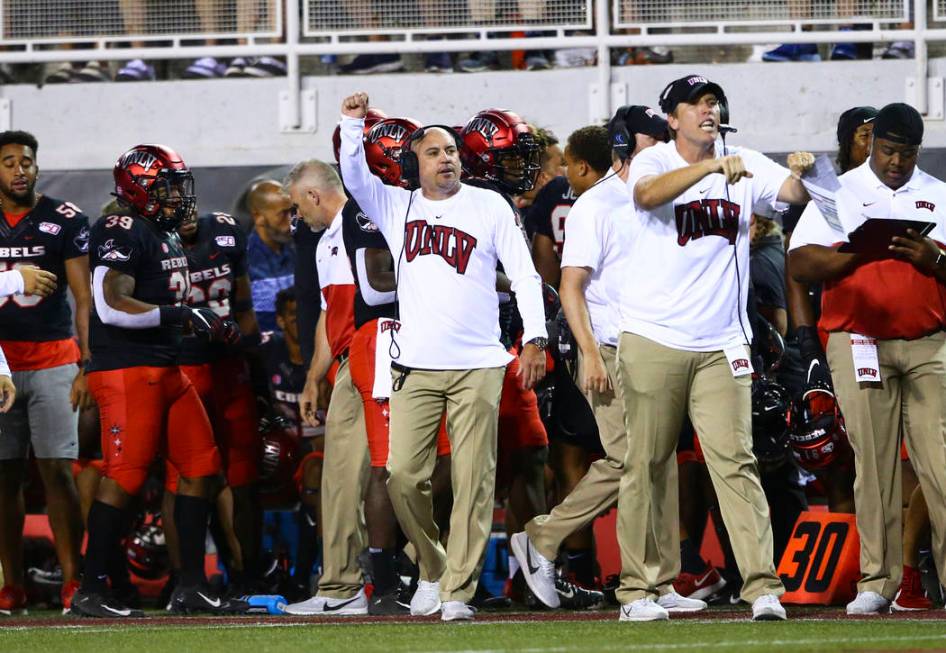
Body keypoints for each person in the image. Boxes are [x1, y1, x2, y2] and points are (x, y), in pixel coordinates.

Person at [339, 91, 547, 621]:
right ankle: (433, 568)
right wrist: (351, 121)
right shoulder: (395, 204)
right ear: (415, 164)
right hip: (415, 365)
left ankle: (457, 591)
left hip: (479, 363)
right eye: (433, 152)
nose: (446, 158)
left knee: (476, 481)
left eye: (451, 150)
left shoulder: (489, 204)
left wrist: (535, 338)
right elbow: (355, 175)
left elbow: (523, 274)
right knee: (405, 476)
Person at [615, 74, 814, 622]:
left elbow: (790, 196)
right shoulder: (653, 159)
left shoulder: (743, 158)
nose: (709, 110)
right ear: (672, 118)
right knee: (647, 465)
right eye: (697, 104)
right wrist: (707, 167)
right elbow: (646, 196)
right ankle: (638, 590)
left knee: (737, 463)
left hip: (722, 342)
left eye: (714, 103)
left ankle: (761, 587)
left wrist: (805, 171)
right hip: (654, 335)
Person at [514, 107, 702, 613]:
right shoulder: (597, 204)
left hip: (654, 343)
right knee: (630, 459)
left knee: (655, 460)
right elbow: (571, 285)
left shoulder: (666, 194)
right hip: (607, 345)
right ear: (623, 143)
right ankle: (544, 539)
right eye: (654, 138)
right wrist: (590, 354)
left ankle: (661, 582)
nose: (664, 145)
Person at [70, 144, 243, 617]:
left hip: (166, 367)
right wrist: (183, 313)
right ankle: (90, 589)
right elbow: (111, 304)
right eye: (166, 188)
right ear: (138, 190)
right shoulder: (118, 227)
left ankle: (189, 586)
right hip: (128, 369)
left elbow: (163, 306)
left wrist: (201, 320)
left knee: (201, 466)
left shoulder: (162, 234)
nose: (176, 197)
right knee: (124, 476)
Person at [788, 102, 946, 616]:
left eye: (905, 153)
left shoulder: (939, 194)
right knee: (873, 467)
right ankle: (879, 581)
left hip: (928, 342)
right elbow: (799, 260)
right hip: (859, 341)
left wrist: (936, 260)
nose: (896, 162)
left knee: (940, 463)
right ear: (872, 142)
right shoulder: (840, 190)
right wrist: (860, 251)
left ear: (918, 150)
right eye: (888, 150)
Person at [343, 117, 453, 615]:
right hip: (385, 334)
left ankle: (420, 561)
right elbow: (372, 286)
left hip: (431, 333)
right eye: (413, 154)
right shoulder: (371, 205)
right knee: (389, 463)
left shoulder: (428, 201)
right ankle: (384, 578)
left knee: (446, 459)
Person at [0, 130, 89, 614]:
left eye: (26, 162)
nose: (19, 170)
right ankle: (11, 582)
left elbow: (84, 298)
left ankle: (73, 580)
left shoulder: (65, 218)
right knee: (4, 475)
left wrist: (86, 365)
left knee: (58, 470)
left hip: (55, 358)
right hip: (1, 366)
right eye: (9, 162)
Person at [283, 159, 371, 617]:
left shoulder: (362, 227)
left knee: (363, 478)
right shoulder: (325, 245)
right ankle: (345, 584)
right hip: (345, 369)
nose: (298, 216)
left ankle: (345, 587)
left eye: (298, 205)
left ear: (314, 196)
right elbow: (325, 316)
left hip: (372, 362)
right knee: (344, 478)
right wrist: (314, 378)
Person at [164, 206, 264, 596]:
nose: (184, 213)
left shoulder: (224, 231)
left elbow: (244, 306)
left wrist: (254, 369)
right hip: (182, 367)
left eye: (187, 203)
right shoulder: (150, 241)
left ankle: (248, 573)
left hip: (228, 365)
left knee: (244, 477)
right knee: (185, 479)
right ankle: (183, 578)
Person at [246, 180, 295, 332]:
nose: (290, 221)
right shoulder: (243, 260)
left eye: (291, 212)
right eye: (282, 214)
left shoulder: (300, 251)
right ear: (258, 217)